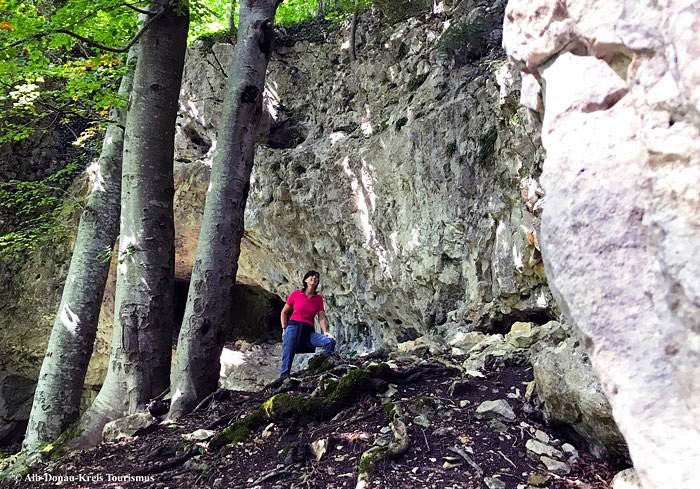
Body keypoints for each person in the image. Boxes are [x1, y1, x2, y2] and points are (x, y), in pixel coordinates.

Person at [280, 270, 336, 377]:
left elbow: (321, 317)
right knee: (288, 353)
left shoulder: (318, 298)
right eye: (311, 276)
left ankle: (323, 370)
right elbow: (284, 312)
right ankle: (283, 379)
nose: (314, 278)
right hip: (293, 326)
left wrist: (325, 332)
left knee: (329, 341)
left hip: (308, 330)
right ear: (305, 280)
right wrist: (284, 329)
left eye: (316, 277)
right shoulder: (296, 294)